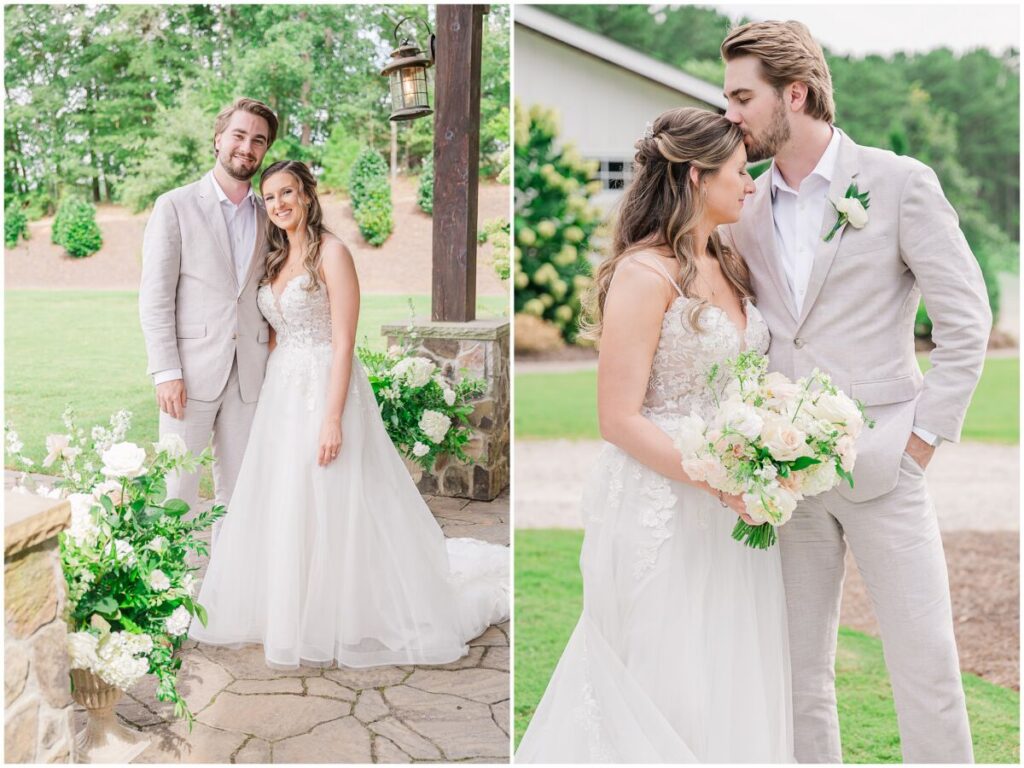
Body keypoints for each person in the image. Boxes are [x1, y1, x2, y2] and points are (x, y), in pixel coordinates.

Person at [718, 20, 989, 763]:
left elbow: (967, 323)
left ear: (794, 93)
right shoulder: (740, 203)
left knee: (926, 664)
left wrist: (920, 442)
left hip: (886, 467)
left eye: (743, 96)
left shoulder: (899, 183)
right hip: (784, 478)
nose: (730, 114)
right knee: (798, 674)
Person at [516, 108, 794, 762]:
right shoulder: (646, 275)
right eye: (737, 172)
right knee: (663, 676)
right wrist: (725, 482)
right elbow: (617, 418)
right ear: (697, 176)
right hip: (663, 505)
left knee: (726, 669)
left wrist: (770, 453)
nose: (749, 185)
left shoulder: (728, 262)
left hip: (732, 509)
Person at [188, 160, 509, 669]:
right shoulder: (273, 260)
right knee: (286, 496)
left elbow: (343, 343)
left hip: (325, 384)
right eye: (269, 197)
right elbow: (272, 332)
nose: (279, 205)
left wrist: (332, 417)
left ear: (308, 195)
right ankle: (290, 608)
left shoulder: (332, 254)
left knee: (335, 490)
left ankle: (346, 608)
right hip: (281, 390)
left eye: (287, 192)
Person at [139, 97, 279, 551]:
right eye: (239, 135)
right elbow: (155, 296)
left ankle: (225, 596)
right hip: (189, 375)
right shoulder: (175, 206)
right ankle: (165, 590)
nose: (247, 147)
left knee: (238, 495)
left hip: (250, 375)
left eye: (258, 140)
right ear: (218, 139)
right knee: (176, 491)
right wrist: (166, 371)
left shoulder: (269, 213)